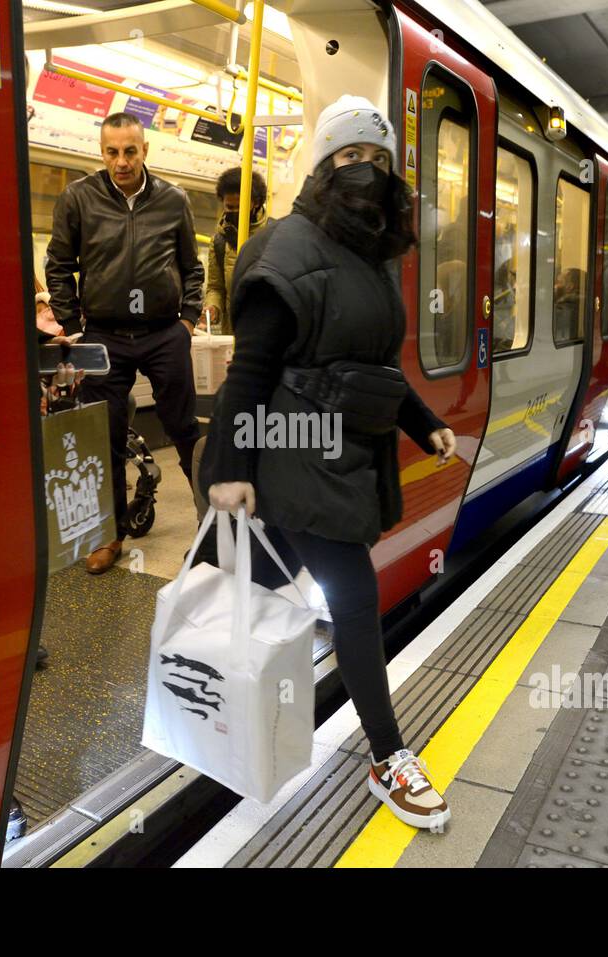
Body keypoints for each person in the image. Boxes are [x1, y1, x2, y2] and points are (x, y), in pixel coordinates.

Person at [200, 95, 457, 830]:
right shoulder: (290, 247)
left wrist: (422, 420)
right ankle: (388, 755)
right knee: (351, 595)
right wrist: (229, 465)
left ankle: (205, 708)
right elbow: (249, 370)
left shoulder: (368, 255)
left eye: (377, 160)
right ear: (322, 165)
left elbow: (371, 365)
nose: (365, 172)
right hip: (291, 449)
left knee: (249, 587)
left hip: (345, 449)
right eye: (349, 157)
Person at [44, 112, 205, 573]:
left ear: (144, 151)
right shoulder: (78, 198)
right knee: (105, 439)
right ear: (102, 153)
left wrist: (188, 321)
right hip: (104, 336)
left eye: (129, 151)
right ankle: (107, 535)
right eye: (112, 152)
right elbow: (59, 264)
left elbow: (191, 266)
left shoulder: (173, 200)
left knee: (185, 431)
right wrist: (74, 325)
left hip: (162, 333)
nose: (121, 161)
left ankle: (212, 527)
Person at [201, 167, 269, 335]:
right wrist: (213, 308)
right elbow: (215, 287)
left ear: (255, 203)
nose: (234, 212)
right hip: (232, 332)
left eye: (240, 207)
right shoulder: (219, 241)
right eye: (229, 207)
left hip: (266, 330)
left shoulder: (273, 234)